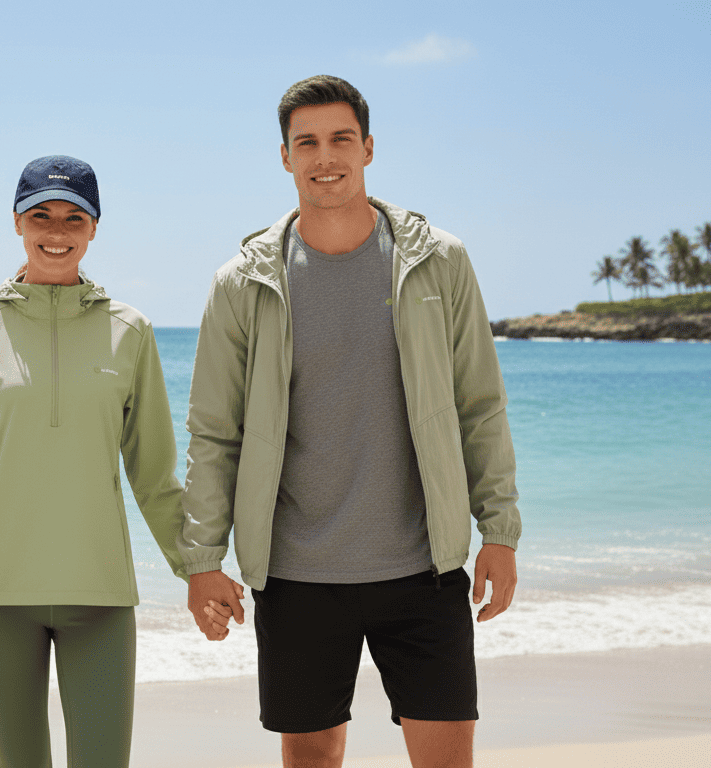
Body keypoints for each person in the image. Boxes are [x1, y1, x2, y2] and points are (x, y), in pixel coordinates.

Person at [180, 76, 521, 768]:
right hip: (297, 573)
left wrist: (501, 532)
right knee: (311, 758)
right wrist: (202, 562)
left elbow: (478, 404)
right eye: (306, 142)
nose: (324, 156)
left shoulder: (439, 261)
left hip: (424, 567)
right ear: (284, 157)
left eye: (340, 139)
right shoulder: (242, 283)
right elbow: (215, 433)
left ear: (368, 148)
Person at [0, 155, 187, 767]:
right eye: (41, 215)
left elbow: (155, 473)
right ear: (16, 222)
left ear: (94, 230)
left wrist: (197, 567)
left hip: (101, 597)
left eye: (73, 218)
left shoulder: (131, 331)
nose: (56, 231)